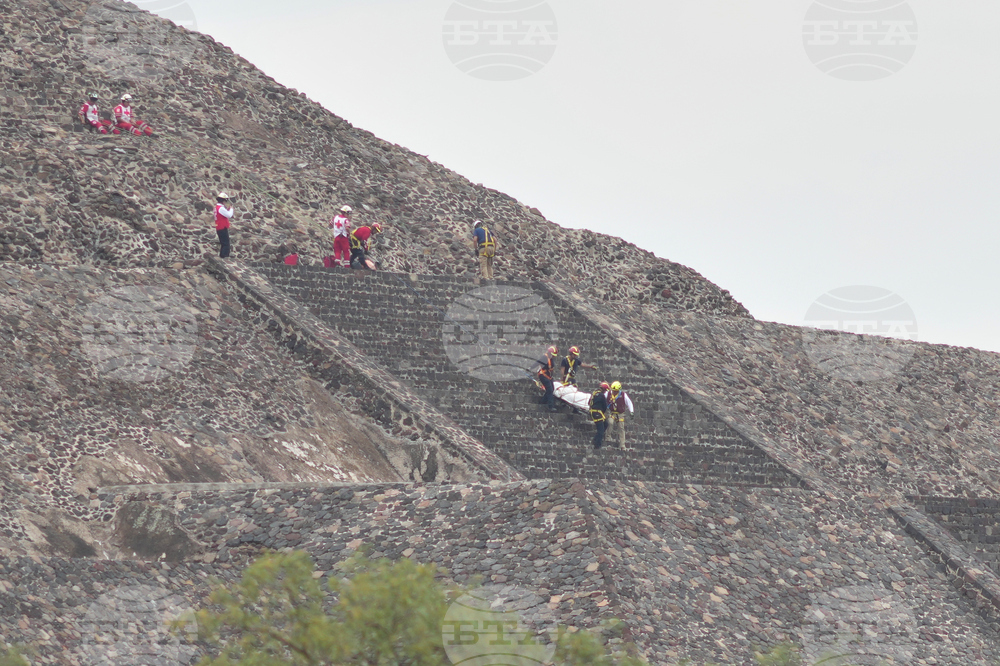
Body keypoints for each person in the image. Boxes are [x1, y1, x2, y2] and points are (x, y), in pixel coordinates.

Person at [605, 381, 635, 448]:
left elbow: (629, 403)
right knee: (610, 422)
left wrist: (631, 412)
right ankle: (608, 437)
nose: (614, 392)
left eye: (616, 391)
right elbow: (602, 398)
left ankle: (622, 444)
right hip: (611, 412)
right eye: (613, 390)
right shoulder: (608, 393)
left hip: (620, 414)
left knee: (621, 428)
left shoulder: (624, 395)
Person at [535, 346, 559, 412]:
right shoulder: (544, 357)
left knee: (552, 389)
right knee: (550, 389)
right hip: (543, 375)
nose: (553, 356)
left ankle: (542, 402)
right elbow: (537, 363)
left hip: (549, 376)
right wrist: (529, 368)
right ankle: (550, 406)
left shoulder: (551, 358)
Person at [589, 382, 610, 449]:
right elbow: (605, 406)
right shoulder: (601, 395)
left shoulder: (594, 393)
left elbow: (589, 402)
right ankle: (597, 445)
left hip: (593, 412)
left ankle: (596, 438)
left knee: (605, 424)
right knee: (600, 429)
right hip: (597, 413)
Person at [214, 192, 234, 258]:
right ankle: (224, 257)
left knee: (223, 243)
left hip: (219, 227)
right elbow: (229, 215)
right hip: (222, 227)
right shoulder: (220, 208)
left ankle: (223, 256)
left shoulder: (217, 207)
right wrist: (231, 209)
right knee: (226, 244)